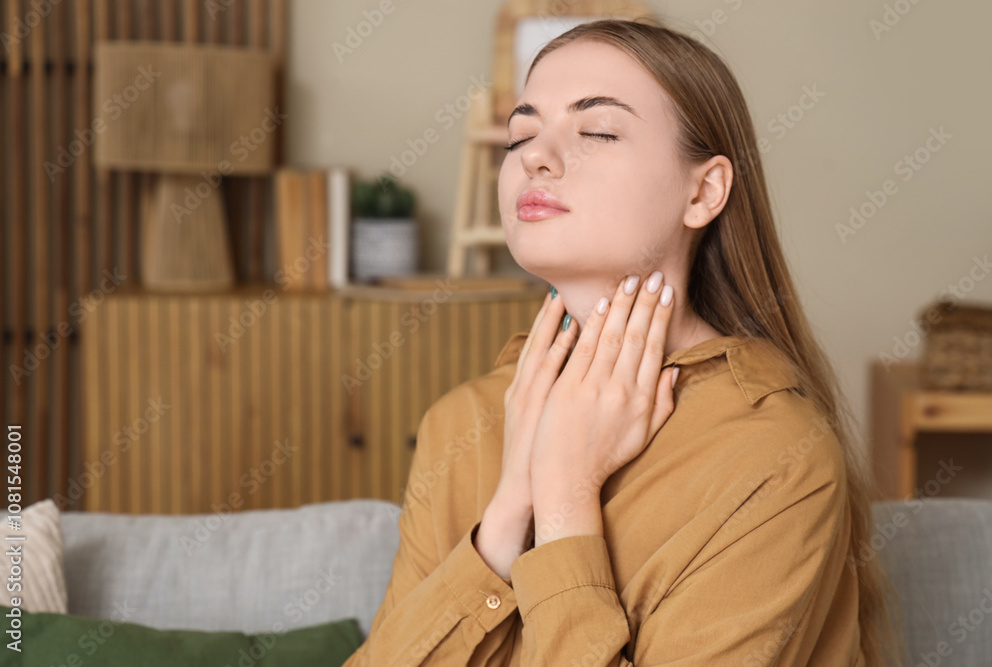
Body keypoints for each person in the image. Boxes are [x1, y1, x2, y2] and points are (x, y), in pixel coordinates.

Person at [343, 17, 906, 667]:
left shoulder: (776, 453)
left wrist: (564, 495)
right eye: (521, 133)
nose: (535, 156)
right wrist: (505, 516)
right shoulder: (460, 423)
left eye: (597, 130)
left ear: (704, 190)